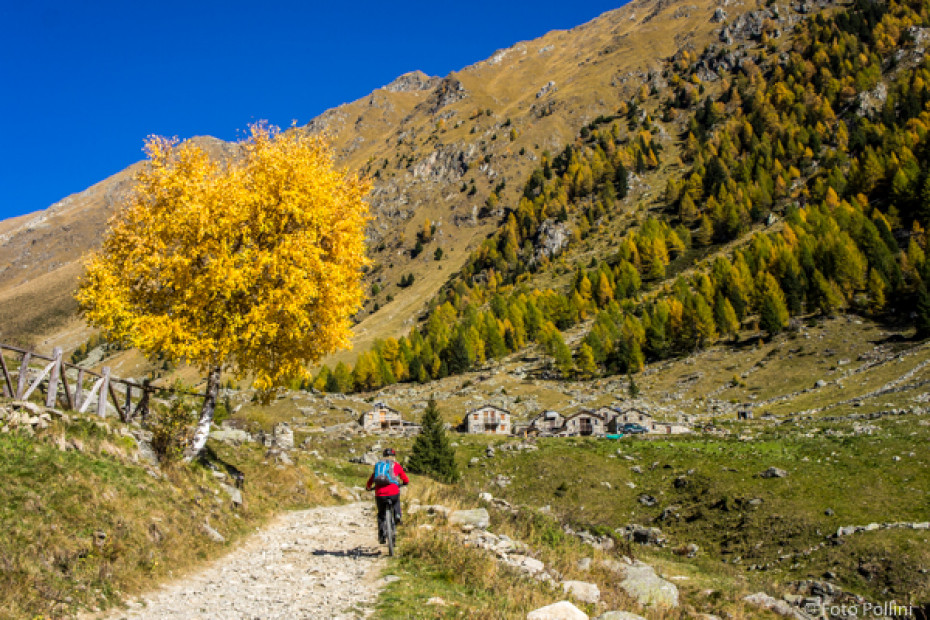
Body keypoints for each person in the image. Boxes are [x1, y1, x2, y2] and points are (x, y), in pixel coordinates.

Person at [365, 448, 409, 544]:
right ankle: (397, 515)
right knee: (396, 501)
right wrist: (405, 482)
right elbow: (405, 478)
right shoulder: (396, 465)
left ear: (383, 456)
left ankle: (381, 534)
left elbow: (372, 479)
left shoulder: (378, 466)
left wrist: (368, 487)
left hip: (380, 494)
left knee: (381, 514)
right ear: (394, 456)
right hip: (393, 492)